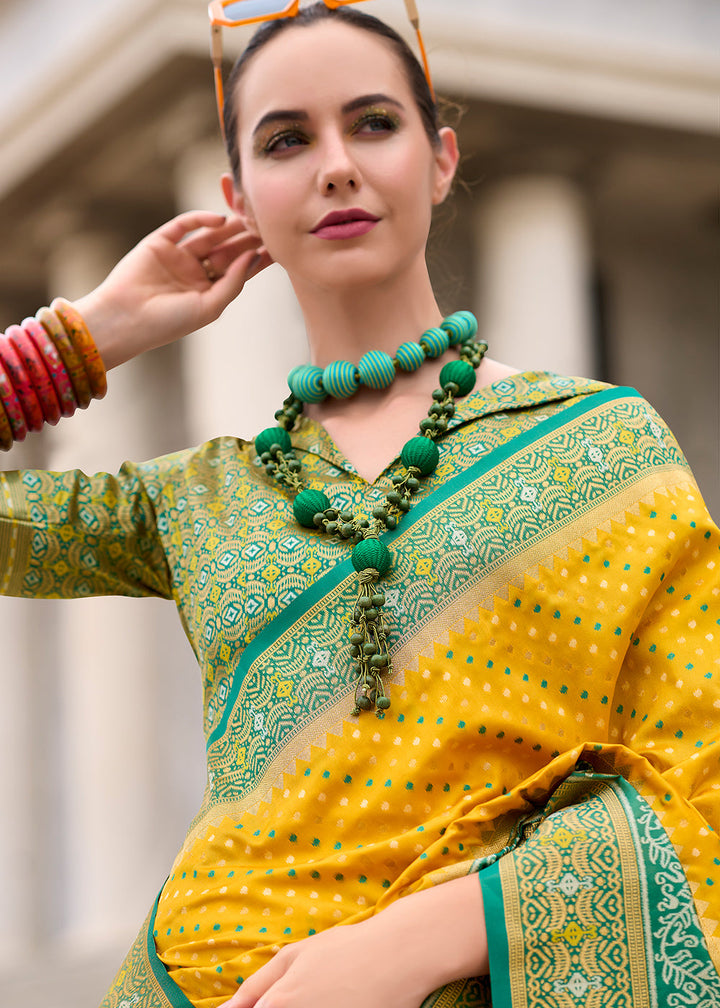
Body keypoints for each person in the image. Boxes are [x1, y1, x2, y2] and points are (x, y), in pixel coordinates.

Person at [1, 5, 718, 1007]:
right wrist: (92, 332)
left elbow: (701, 790)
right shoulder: (200, 497)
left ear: (439, 158)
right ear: (238, 197)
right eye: (286, 139)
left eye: (374, 122)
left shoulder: (608, 452)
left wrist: (423, 938)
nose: (335, 164)